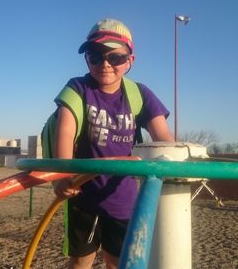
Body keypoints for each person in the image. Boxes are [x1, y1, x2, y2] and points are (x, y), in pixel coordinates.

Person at [53, 18, 174, 269]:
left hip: (123, 199)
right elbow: (65, 131)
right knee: (80, 262)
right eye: (95, 56)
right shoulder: (78, 88)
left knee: (117, 263)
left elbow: (165, 141)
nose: (105, 64)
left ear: (130, 60)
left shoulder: (139, 94)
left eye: (116, 58)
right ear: (87, 59)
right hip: (83, 195)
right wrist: (62, 177)